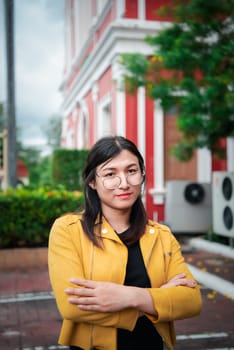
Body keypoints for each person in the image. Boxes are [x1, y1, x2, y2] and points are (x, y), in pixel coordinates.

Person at [48, 135, 202, 350]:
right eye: (110, 174)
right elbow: (73, 307)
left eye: (131, 171)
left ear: (141, 174)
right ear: (92, 182)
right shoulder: (68, 230)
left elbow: (192, 300)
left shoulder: (161, 235)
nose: (124, 183)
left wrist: (131, 296)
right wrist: (157, 300)